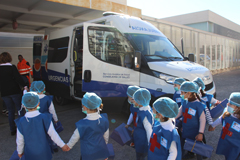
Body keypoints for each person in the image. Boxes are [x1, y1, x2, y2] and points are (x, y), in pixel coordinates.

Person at [15, 92, 69, 159]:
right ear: (38, 103)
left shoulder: (21, 122)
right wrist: (62, 145)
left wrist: (20, 152)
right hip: (44, 153)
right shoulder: (45, 118)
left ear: (23, 105)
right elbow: (53, 134)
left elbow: (20, 140)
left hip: (30, 153)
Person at [66, 92, 109, 160]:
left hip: (88, 154)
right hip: (101, 151)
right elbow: (106, 137)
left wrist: (69, 146)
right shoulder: (104, 120)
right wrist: (104, 147)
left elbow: (75, 137)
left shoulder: (82, 124)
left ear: (85, 107)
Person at [175, 81, 206, 160]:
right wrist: (171, 118)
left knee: (198, 149)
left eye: (182, 92)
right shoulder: (185, 102)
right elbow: (179, 112)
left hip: (195, 132)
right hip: (185, 130)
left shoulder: (199, 105)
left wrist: (201, 133)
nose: (181, 94)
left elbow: (202, 120)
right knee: (182, 145)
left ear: (189, 93)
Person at [0, 52, 26, 135]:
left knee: (10, 111)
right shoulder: (12, 67)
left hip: (4, 93)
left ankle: (12, 130)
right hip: (14, 92)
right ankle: (21, 128)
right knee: (19, 109)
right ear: (9, 58)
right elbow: (18, 78)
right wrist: (25, 85)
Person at [209, 92, 240, 160]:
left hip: (236, 146)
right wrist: (213, 125)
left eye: (231, 104)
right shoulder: (227, 112)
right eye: (228, 102)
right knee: (227, 156)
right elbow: (221, 119)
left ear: (238, 108)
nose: (227, 104)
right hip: (226, 142)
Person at [34, 80, 59, 152]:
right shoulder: (48, 99)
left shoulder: (33, 99)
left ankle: (42, 147)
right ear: (44, 89)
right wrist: (55, 119)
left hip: (37, 120)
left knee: (40, 133)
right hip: (47, 119)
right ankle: (54, 146)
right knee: (51, 133)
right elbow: (52, 111)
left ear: (35, 89)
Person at [132, 88, 154, 160]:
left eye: (134, 100)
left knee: (141, 157)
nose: (133, 102)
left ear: (139, 101)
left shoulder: (145, 114)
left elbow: (149, 130)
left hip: (142, 143)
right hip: (139, 139)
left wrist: (149, 144)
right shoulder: (143, 109)